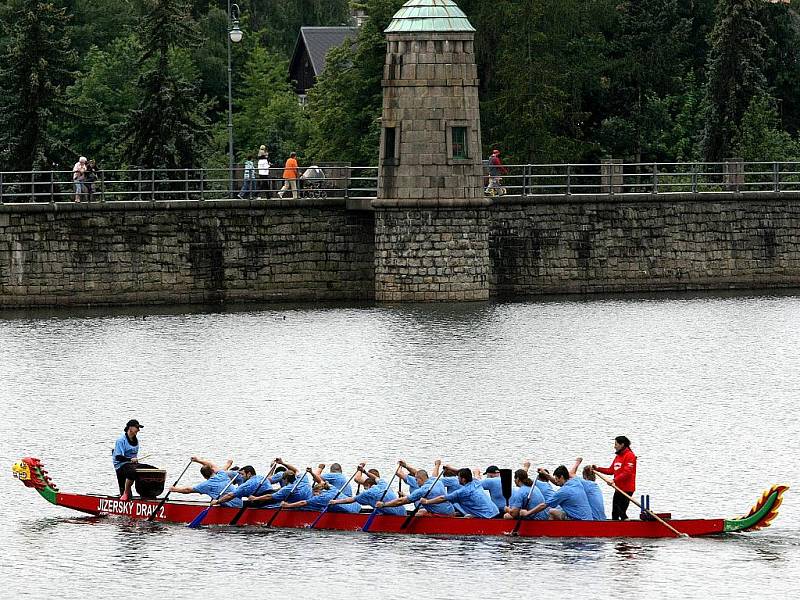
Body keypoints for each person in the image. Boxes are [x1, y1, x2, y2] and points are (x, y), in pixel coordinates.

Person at [377, 461, 454, 516]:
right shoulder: (436, 480)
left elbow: (401, 501)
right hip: (451, 511)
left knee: (419, 514)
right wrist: (406, 466)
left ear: (420, 479)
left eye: (416, 480)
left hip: (441, 515)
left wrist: (384, 504)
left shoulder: (422, 490)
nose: (416, 482)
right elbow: (428, 473)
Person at [520, 465, 593, 521]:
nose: (556, 481)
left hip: (578, 521)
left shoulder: (563, 491)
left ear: (561, 477)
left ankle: (549, 532)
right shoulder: (576, 481)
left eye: (557, 479)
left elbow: (543, 505)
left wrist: (527, 513)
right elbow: (557, 483)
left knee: (552, 511)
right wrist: (545, 474)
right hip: (589, 519)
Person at [421, 468, 499, 518]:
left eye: (458, 478)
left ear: (463, 479)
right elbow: (465, 473)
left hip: (487, 517)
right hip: (495, 512)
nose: (457, 480)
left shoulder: (462, 492)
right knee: (468, 516)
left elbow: (443, 498)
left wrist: (427, 501)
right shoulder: (476, 482)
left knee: (466, 518)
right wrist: (450, 468)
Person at [328, 465, 405, 515]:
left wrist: (335, 501)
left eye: (364, 487)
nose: (364, 489)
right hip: (403, 512)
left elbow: (350, 500)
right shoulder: (383, 483)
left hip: (393, 515)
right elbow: (375, 477)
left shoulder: (368, 492)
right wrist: (364, 471)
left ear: (368, 485)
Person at [168, 456, 243, 507]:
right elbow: (215, 465)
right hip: (240, 504)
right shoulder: (222, 473)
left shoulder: (206, 485)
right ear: (213, 471)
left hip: (231, 507)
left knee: (214, 499)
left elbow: (188, 490)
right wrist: (198, 460)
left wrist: (174, 489)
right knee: (215, 498)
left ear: (204, 476)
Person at [593, 435, 637, 520]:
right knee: (615, 513)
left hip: (627, 489)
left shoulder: (630, 456)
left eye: (616, 444)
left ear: (622, 445)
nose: (614, 446)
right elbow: (611, 470)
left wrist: (614, 480)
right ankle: (615, 531)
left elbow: (627, 473)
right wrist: (597, 469)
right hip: (618, 489)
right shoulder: (618, 457)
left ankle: (628, 529)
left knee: (621, 512)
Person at [112, 419, 155, 501]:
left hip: (131, 465)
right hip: (121, 466)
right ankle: (126, 493)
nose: (138, 430)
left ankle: (147, 494)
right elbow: (118, 457)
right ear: (130, 428)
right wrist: (130, 459)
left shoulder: (136, 440)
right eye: (137, 428)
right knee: (132, 471)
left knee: (151, 470)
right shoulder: (121, 440)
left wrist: (134, 462)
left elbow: (134, 459)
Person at [248, 458, 313, 505]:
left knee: (267, 496)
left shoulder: (287, 488)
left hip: (296, 505)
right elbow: (296, 470)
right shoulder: (303, 478)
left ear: (286, 480)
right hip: (305, 501)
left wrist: (255, 498)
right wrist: (282, 463)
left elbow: (269, 496)